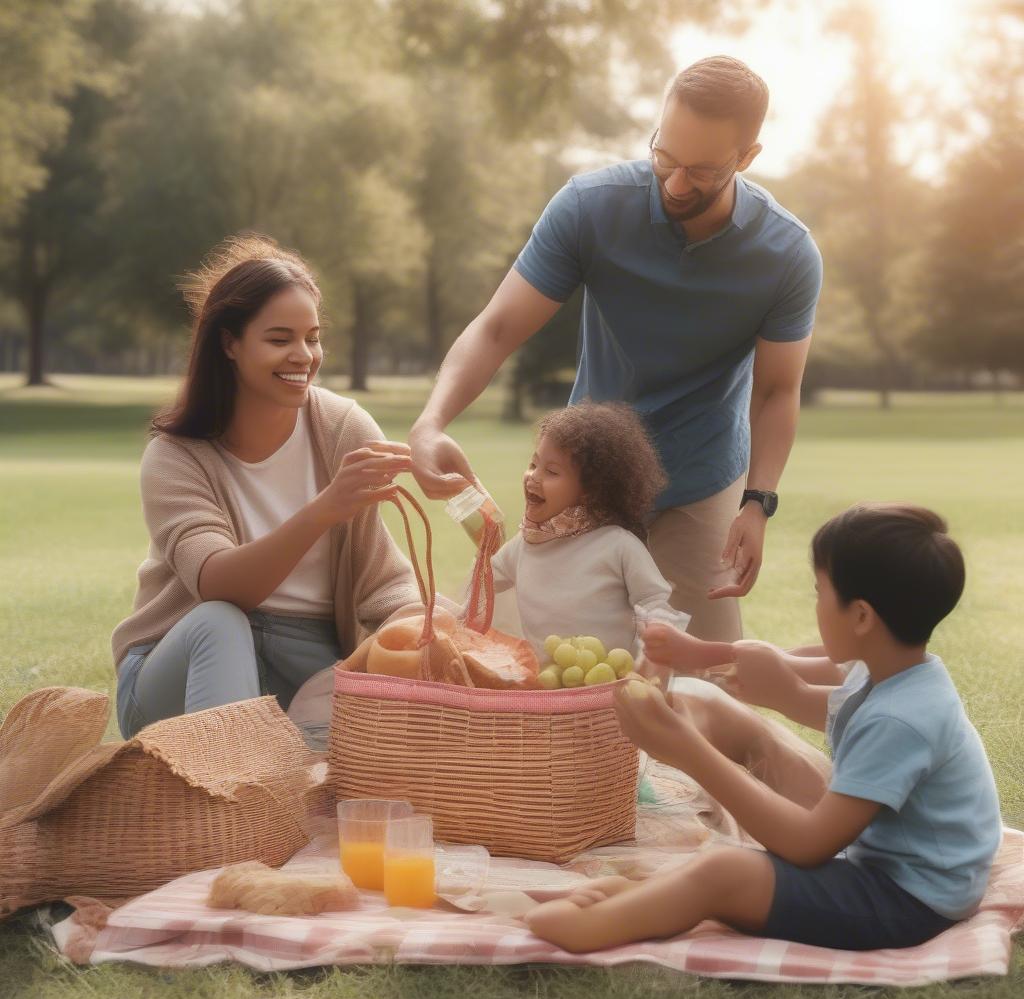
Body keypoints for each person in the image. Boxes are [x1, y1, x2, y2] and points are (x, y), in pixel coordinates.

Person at [409, 55, 823, 642]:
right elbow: (498, 326)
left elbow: (778, 389)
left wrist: (757, 503)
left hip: (699, 477)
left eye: (701, 170)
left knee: (701, 682)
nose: (676, 184)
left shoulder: (787, 255)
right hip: (581, 474)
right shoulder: (590, 207)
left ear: (748, 157)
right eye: (665, 157)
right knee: (518, 660)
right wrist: (430, 421)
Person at [525, 503, 1002, 953]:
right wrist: (705, 655)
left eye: (821, 592)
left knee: (727, 870)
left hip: (908, 903)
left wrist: (687, 748)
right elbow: (808, 669)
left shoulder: (902, 719)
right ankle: (646, 899)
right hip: (892, 873)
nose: (816, 604)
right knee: (738, 865)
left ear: (860, 616)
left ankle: (592, 929)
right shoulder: (897, 670)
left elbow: (809, 842)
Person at [111, 235, 418, 739]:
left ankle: (268, 778)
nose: (303, 356)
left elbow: (382, 580)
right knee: (219, 621)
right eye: (280, 339)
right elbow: (219, 585)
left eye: (312, 337)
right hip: (177, 674)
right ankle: (226, 799)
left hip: (306, 666)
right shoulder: (175, 455)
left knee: (340, 783)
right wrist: (322, 511)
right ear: (229, 343)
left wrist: (425, 625)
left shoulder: (344, 429)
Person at [490, 402, 689, 662]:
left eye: (551, 471)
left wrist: (651, 656)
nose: (533, 477)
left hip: (609, 683)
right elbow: (481, 585)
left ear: (590, 491)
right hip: (546, 687)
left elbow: (654, 601)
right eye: (533, 464)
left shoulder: (617, 545)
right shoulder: (524, 544)